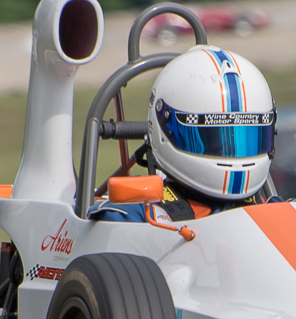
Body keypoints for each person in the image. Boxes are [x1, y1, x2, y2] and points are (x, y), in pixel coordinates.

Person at [92, 44, 278, 223]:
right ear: (166, 130)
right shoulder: (136, 217)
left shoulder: (278, 212)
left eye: (247, 137)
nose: (234, 155)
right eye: (212, 139)